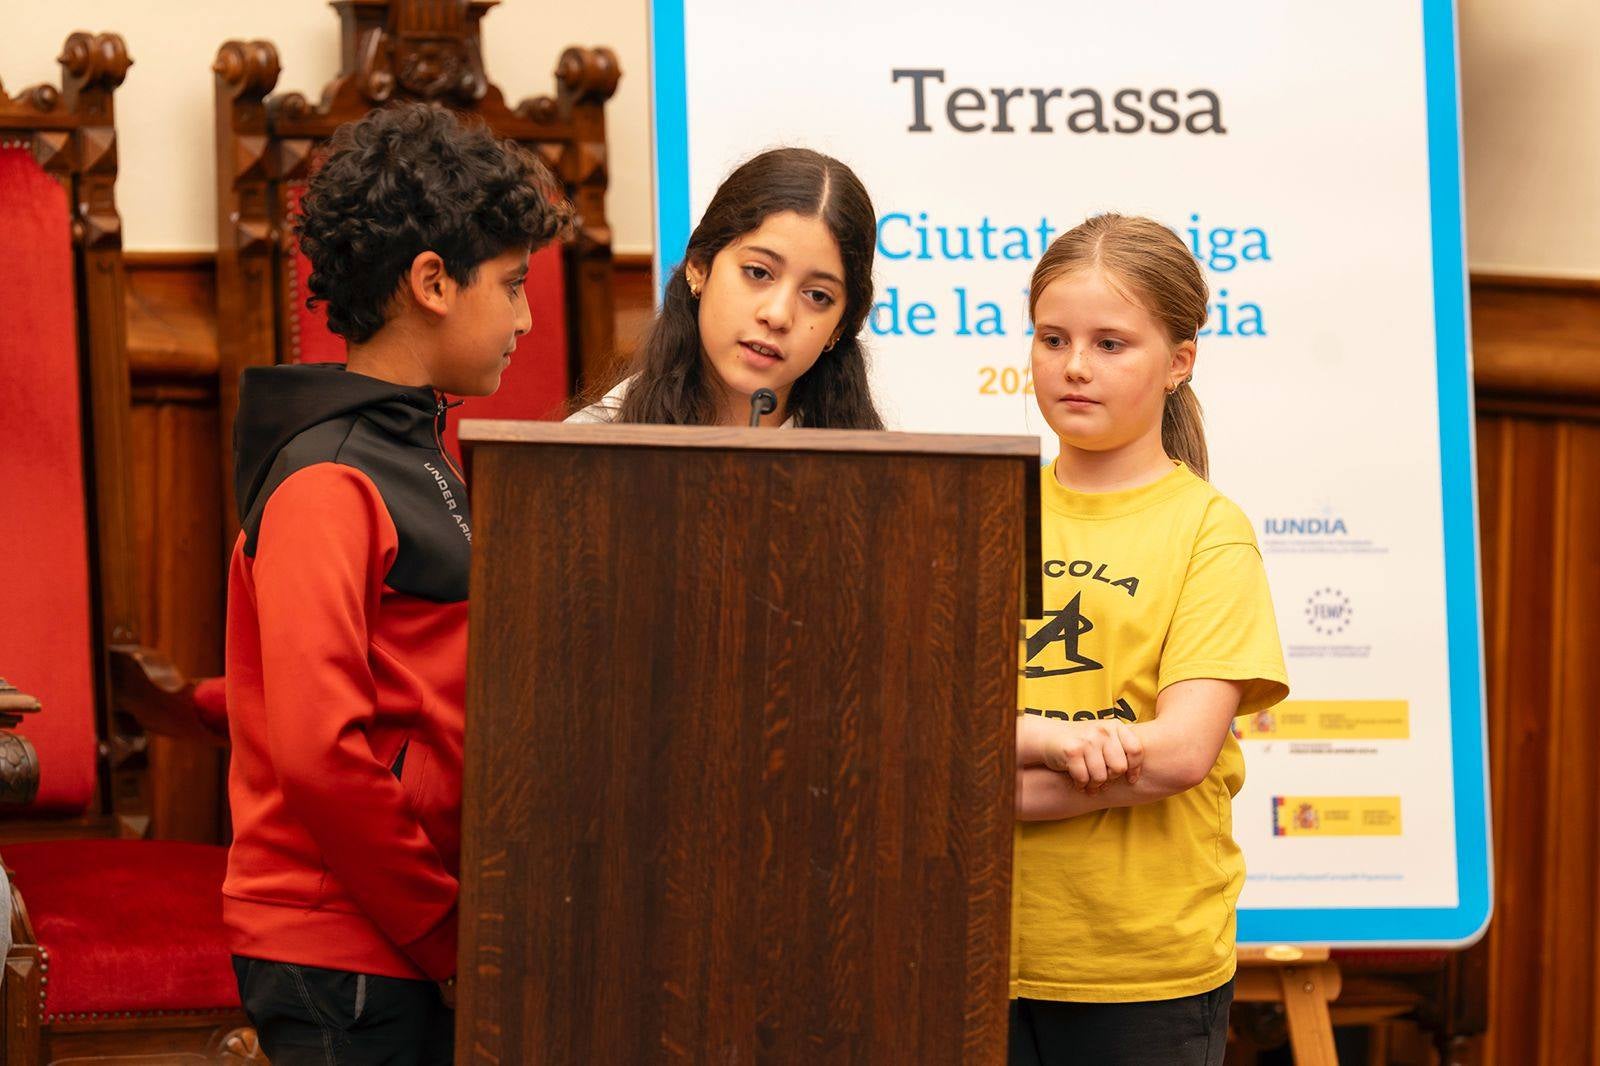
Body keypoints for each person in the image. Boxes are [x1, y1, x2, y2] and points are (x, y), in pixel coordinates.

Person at [222, 101, 568, 1065]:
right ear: (431, 283)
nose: (526, 318)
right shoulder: (331, 477)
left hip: (400, 936)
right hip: (347, 945)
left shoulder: (412, 445)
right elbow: (321, 751)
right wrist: (447, 936)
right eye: (512, 285)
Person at [1010, 213, 1290, 1066]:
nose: (1075, 366)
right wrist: (1064, 744)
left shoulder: (1210, 531)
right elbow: (924, 729)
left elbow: (1176, 757)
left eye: (1111, 343)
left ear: (1178, 363)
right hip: (978, 945)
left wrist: (1004, 784)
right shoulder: (981, 502)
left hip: (1143, 970)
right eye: (1052, 338)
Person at [570, 147, 883, 429]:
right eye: (758, 273)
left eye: (817, 295)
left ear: (838, 327)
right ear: (699, 267)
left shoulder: (872, 472)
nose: (777, 315)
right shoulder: (593, 445)